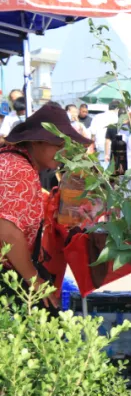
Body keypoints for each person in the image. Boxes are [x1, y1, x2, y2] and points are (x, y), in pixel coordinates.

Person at [0, 102, 92, 304]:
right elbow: (6, 229)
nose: (63, 152)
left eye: (65, 145)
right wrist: (34, 279)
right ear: (35, 142)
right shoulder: (18, 169)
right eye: (57, 145)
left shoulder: (17, 164)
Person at [89, 100, 121, 169]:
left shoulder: (97, 117)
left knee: (103, 173)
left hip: (101, 150)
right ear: (118, 109)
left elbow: (93, 135)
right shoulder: (118, 119)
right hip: (115, 150)